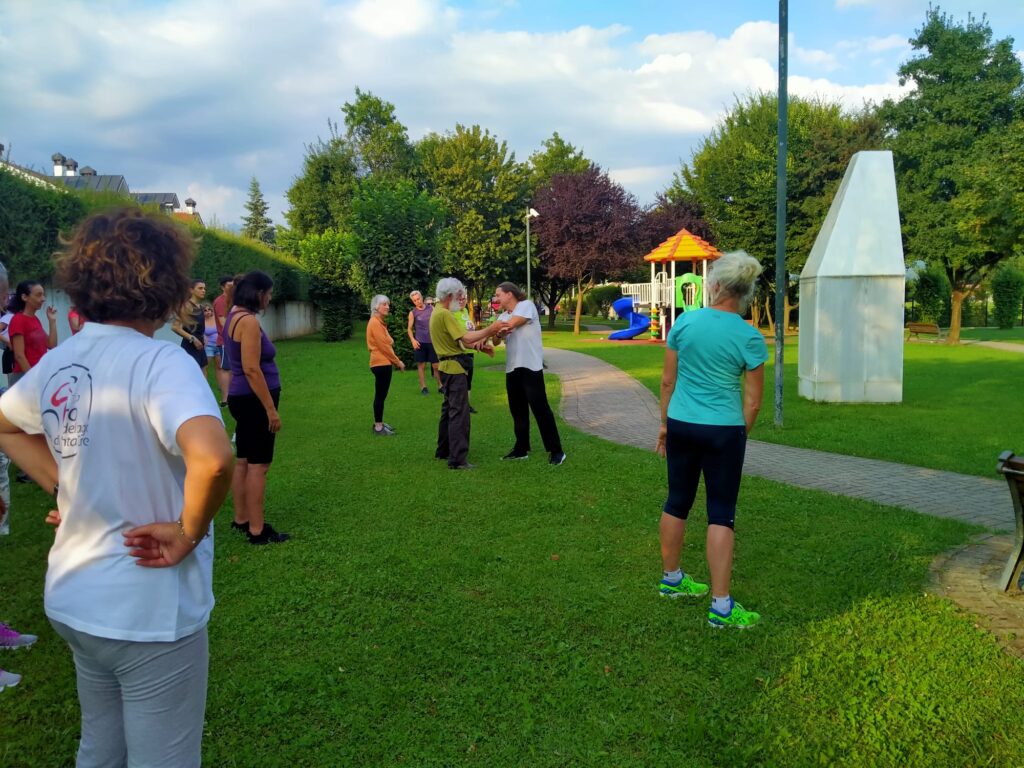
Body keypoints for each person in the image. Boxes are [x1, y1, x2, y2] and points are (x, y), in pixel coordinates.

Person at [0, 207, 234, 764]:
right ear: (166, 281)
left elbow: (6, 422)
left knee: (100, 746)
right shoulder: (162, 362)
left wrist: (68, 489)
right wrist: (187, 531)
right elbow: (215, 459)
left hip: (76, 597)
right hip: (146, 607)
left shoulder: (62, 360)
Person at [655, 251, 767, 630]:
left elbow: (668, 381)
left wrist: (665, 426)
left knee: (677, 501)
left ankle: (672, 580)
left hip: (682, 423)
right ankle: (721, 607)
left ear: (715, 285)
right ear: (746, 292)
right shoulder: (750, 336)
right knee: (721, 513)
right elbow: (753, 401)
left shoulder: (685, 323)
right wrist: (739, 434)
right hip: (724, 430)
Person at [225, 271, 289, 544]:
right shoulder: (248, 322)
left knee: (243, 460)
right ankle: (257, 529)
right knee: (258, 466)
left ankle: (242, 518)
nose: (270, 298)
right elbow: (251, 368)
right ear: (258, 293)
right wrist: (270, 410)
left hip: (240, 398)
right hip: (253, 401)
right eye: (269, 293)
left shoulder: (233, 314)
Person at [429, 277, 502, 470]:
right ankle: (458, 459)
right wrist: (491, 329)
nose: (461, 298)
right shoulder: (445, 314)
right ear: (450, 295)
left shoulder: (437, 311)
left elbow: (461, 341)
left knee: (448, 411)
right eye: (459, 295)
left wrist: (480, 347)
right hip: (454, 369)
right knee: (459, 413)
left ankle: (443, 450)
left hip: (446, 367)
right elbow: (466, 337)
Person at [493, 282, 566, 465]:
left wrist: (499, 329)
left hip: (531, 368)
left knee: (541, 410)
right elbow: (495, 341)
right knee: (517, 411)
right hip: (512, 369)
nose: (496, 299)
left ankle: (556, 451)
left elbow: (513, 324)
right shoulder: (502, 315)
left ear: (510, 294)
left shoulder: (526, 306)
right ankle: (521, 449)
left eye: (498, 295)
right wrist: (498, 331)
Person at [366, 295, 405, 436]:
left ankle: (380, 422)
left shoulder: (379, 323)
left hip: (382, 363)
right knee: (380, 396)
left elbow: (389, 341)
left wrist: (389, 342)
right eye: (384, 304)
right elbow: (385, 347)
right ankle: (378, 427)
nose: (388, 307)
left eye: (388, 304)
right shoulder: (375, 323)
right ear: (376, 306)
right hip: (380, 363)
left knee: (381, 395)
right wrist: (398, 361)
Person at [8, 280, 57, 386]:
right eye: (39, 295)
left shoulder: (35, 319)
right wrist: (33, 379)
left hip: (38, 374)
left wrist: (52, 322)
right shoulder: (18, 320)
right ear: (25, 297)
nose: (43, 299)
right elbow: (19, 355)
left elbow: (51, 344)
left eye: (43, 295)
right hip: (25, 377)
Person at [407, 290, 441, 395]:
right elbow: (409, 329)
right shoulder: (413, 313)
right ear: (413, 302)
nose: (417, 301)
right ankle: (423, 387)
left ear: (422, 297)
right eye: (415, 300)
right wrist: (413, 340)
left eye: (418, 299)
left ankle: (440, 385)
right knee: (421, 366)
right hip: (420, 343)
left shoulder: (431, 308)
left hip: (432, 342)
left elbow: (438, 322)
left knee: (436, 366)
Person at [172, 279, 208, 374]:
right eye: (200, 288)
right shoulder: (186, 306)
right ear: (191, 290)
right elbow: (175, 327)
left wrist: (203, 335)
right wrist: (192, 338)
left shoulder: (200, 307)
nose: (203, 290)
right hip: (190, 346)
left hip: (200, 345)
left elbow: (198, 326)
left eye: (204, 288)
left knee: (203, 376)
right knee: (192, 375)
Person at [212, 275, 233, 406]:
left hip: (233, 340)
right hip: (225, 341)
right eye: (229, 286)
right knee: (226, 368)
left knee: (233, 369)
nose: (232, 288)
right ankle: (225, 399)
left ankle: (234, 395)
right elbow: (223, 322)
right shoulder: (220, 301)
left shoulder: (233, 300)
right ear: (222, 287)